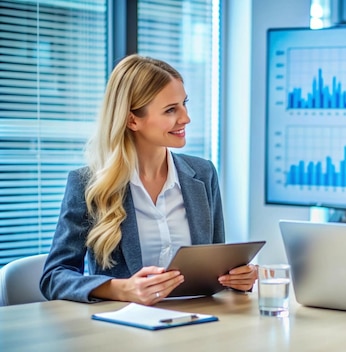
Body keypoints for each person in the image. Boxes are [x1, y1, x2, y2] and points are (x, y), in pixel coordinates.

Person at [40, 54, 256, 305]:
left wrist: (239, 278)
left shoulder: (204, 174)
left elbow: (217, 267)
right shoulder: (88, 184)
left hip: (200, 323)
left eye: (184, 104)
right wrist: (121, 289)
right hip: (124, 330)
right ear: (132, 119)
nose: (186, 118)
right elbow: (54, 277)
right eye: (170, 110)